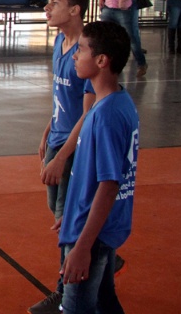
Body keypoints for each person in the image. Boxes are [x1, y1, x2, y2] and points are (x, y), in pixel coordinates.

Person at [58, 21, 138, 314]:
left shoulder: (107, 116)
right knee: (105, 302)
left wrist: (81, 247)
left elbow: (109, 184)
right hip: (90, 224)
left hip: (89, 234)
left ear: (102, 60)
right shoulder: (117, 102)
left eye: (81, 50)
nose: (75, 56)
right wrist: (71, 212)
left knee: (77, 306)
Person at [30, 0, 97, 314]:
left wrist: (63, 158)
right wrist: (47, 131)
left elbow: (87, 115)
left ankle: (63, 291)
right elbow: (61, 99)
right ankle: (101, 255)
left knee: (66, 222)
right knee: (57, 212)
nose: (47, 7)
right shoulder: (59, 42)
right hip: (57, 139)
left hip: (74, 149)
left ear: (75, 9)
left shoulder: (86, 53)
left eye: (54, 2)